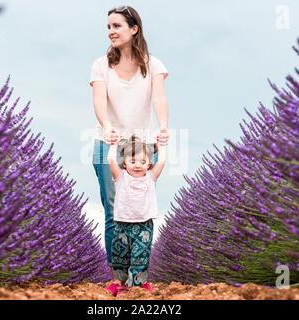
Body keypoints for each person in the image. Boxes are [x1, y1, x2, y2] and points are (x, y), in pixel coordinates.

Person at [89, 4, 170, 291]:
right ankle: (116, 279)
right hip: (108, 144)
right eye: (108, 27)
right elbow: (99, 100)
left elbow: (159, 98)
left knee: (139, 211)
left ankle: (139, 278)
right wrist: (107, 124)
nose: (111, 31)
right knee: (114, 212)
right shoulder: (101, 65)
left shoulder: (154, 64)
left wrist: (163, 126)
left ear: (134, 29)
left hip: (143, 148)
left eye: (117, 26)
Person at [105, 133, 166, 296]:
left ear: (149, 163)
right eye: (132, 161)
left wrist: (161, 147)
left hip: (144, 224)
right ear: (124, 163)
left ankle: (139, 283)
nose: (138, 165)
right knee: (120, 255)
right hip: (122, 224)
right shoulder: (120, 177)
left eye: (143, 162)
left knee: (141, 254)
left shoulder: (151, 177)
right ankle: (118, 283)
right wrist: (113, 145)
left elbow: (161, 161)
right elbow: (111, 161)